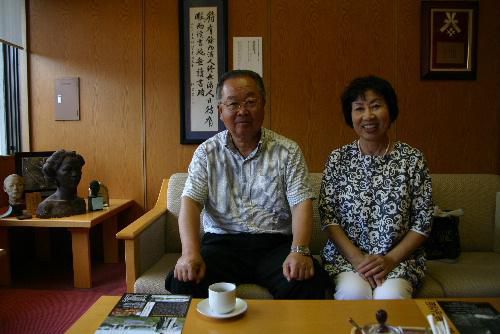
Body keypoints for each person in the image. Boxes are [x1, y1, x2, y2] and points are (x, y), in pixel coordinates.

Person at [165, 69, 326, 299]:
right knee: (185, 281)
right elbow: (190, 202)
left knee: (308, 280)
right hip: (222, 245)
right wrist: (189, 253)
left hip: (275, 245)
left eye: (251, 102)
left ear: (263, 105)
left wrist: (299, 250)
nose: (242, 111)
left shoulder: (287, 151)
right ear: (220, 110)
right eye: (233, 104)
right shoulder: (206, 153)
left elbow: (301, 203)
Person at [319, 75, 433, 300]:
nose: (368, 116)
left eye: (376, 106)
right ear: (350, 116)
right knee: (353, 292)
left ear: (390, 111)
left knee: (391, 296)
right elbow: (328, 216)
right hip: (348, 259)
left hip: (399, 259)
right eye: (359, 108)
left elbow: (423, 221)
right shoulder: (338, 158)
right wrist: (358, 260)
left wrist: (389, 260)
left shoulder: (412, 159)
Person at [36, 149, 86, 218]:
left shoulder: (80, 203)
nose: (75, 174)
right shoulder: (46, 207)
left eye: (77, 169)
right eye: (68, 170)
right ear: (54, 173)